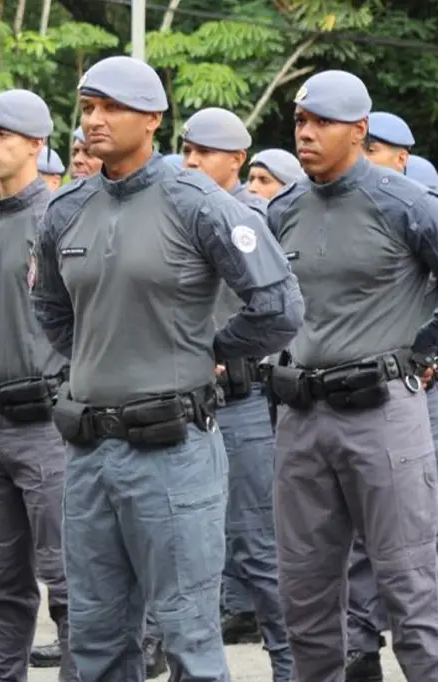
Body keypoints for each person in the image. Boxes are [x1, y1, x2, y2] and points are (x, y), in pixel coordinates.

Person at [32, 56, 303, 682]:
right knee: (95, 642)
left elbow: (279, 307)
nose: (94, 121)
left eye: (111, 108)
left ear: (153, 119)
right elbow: (49, 307)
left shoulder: (198, 202)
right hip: (88, 452)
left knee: (189, 640)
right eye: (87, 108)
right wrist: (103, 357)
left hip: (173, 450)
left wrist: (208, 348)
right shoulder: (65, 208)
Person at [268, 69, 438, 682]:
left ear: (360, 130)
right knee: (306, 598)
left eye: (322, 123)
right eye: (301, 122)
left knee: (409, 590)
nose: (307, 134)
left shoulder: (404, 202)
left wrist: (426, 350)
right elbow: (262, 303)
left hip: (382, 416)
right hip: (301, 419)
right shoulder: (283, 209)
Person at [0, 87, 78, 682]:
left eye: (5, 134)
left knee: (69, 581)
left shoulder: (60, 218)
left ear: (38, 143)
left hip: (46, 427)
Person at [179, 106, 293, 681]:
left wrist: (222, 351)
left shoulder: (251, 218)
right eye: (187, 151)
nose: (192, 161)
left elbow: (281, 310)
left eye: (206, 153)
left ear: (236, 161)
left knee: (257, 545)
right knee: (186, 549)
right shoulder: (172, 214)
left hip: (241, 402)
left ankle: (288, 665)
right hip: (181, 406)